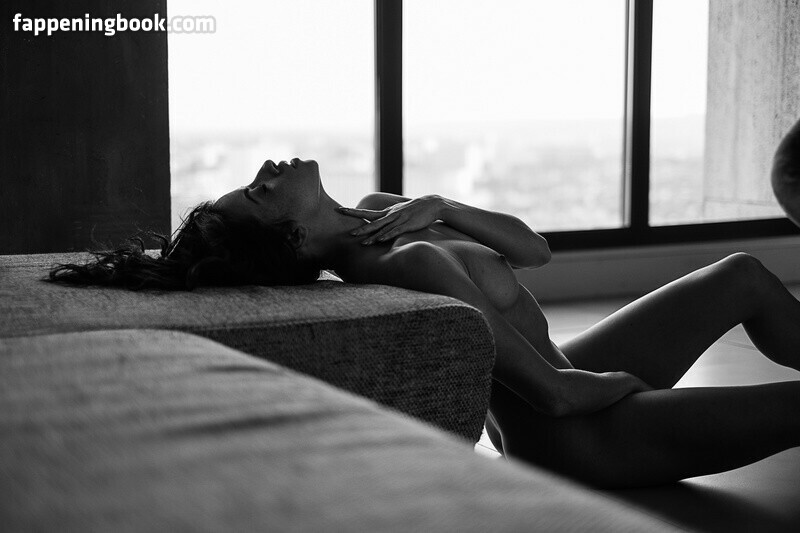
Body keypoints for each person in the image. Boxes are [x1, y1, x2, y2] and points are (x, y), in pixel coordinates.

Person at [50, 157, 800, 488]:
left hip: (570, 373)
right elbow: (556, 394)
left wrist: (441, 205)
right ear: (292, 239)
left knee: (741, 274)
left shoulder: (384, 215)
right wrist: (643, 395)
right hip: (573, 435)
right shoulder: (404, 265)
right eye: (260, 190)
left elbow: (534, 250)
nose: (270, 169)